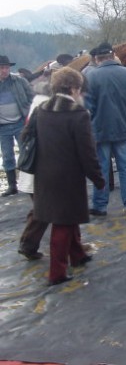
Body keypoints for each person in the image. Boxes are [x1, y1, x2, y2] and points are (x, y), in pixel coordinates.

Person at [31, 67, 105, 285]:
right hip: (68, 177)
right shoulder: (78, 114)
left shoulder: (42, 109)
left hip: (44, 175)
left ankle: (78, 255)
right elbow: (87, 152)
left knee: (68, 217)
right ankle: (57, 272)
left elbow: (30, 137)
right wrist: (98, 178)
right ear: (74, 88)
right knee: (62, 224)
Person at [84, 42, 126, 216]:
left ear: (97, 58)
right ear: (112, 56)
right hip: (124, 128)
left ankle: (100, 205)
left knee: (101, 168)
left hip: (100, 130)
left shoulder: (91, 77)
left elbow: (89, 106)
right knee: (125, 167)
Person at [17, 75, 54, 260]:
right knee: (45, 208)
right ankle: (28, 245)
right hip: (38, 166)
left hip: (36, 165)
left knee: (46, 208)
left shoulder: (40, 103)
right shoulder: (45, 106)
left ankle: (28, 245)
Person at [0, 55, 34, 197]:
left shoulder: (19, 81)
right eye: (1, 68)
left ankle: (28, 184)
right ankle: (12, 186)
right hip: (2, 126)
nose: (4, 70)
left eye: (6, 67)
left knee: (25, 153)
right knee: (8, 156)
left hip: (20, 122)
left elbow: (31, 96)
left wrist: (29, 113)